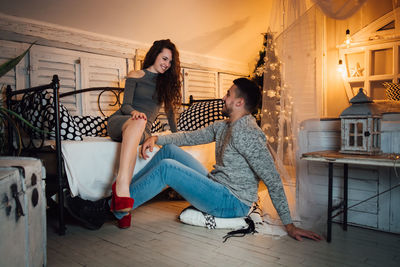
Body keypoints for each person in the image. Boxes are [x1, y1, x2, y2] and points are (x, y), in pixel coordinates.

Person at [106, 39, 181, 226]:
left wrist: (177, 135)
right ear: (155, 54)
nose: (166, 64)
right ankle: (123, 187)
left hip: (141, 128)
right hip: (122, 122)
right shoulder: (136, 75)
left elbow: (171, 113)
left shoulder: (165, 84)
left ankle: (122, 202)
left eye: (170, 62)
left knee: (141, 124)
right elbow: (125, 106)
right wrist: (135, 113)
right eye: (164, 58)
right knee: (139, 121)